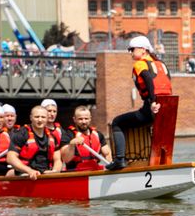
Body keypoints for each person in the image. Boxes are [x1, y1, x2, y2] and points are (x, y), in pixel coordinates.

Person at [108, 35, 172, 170]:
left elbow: (148, 80)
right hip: (167, 108)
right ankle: (159, 161)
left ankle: (120, 160)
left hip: (151, 109)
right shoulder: (161, 64)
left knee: (117, 123)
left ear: (143, 50)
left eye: (132, 49)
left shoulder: (140, 64)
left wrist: (153, 102)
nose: (131, 53)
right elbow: (168, 83)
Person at [7, 105, 63, 178]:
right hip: (25, 174)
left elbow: (58, 159)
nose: (40, 120)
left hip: (46, 173)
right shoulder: (21, 134)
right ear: (31, 118)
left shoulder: (52, 136)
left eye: (43, 117)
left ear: (47, 119)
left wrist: (55, 171)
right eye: (37, 117)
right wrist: (29, 170)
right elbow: (10, 158)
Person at [60, 106, 111, 171]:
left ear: (90, 119)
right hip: (75, 173)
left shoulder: (98, 134)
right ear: (74, 119)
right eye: (80, 119)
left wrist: (109, 167)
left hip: (95, 172)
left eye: (86, 118)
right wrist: (72, 144)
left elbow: (107, 154)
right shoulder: (68, 135)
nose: (84, 122)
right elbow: (66, 159)